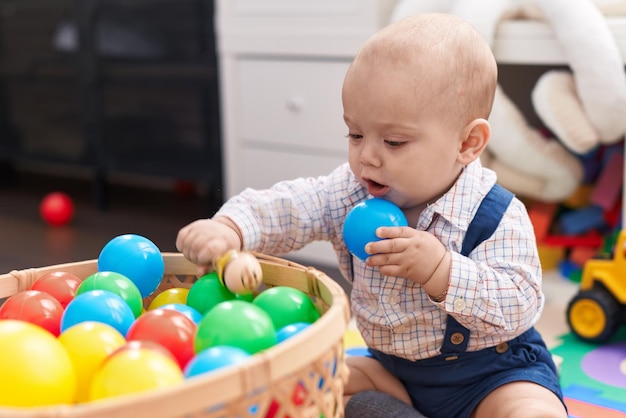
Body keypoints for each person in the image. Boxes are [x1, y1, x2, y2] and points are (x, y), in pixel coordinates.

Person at [176, 13, 567, 418]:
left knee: (529, 410)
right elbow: (291, 205)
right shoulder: (350, 192)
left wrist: (441, 271)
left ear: (467, 143)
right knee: (312, 385)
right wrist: (230, 228)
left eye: (394, 141)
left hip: (492, 373)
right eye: (355, 134)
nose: (366, 156)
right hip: (394, 373)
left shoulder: (496, 213)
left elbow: (519, 302)